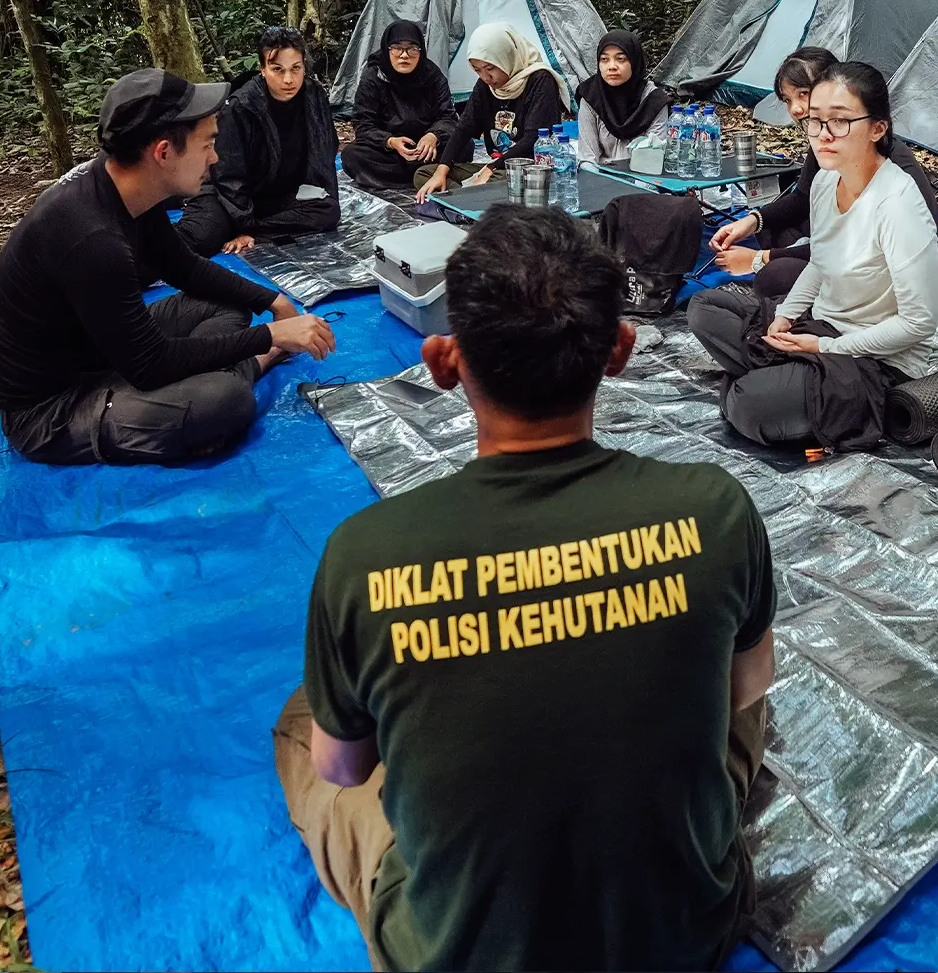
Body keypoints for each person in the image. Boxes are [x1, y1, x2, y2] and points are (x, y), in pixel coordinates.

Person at [275, 207, 775, 972]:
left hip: (459, 951)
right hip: (683, 931)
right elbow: (745, 691)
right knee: (732, 669)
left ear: (443, 361)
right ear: (621, 350)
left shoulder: (365, 559)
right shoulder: (715, 508)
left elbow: (344, 771)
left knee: (307, 719)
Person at [0, 69, 335, 466]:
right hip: (56, 408)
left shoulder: (127, 186)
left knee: (228, 305)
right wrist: (269, 338)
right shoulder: (93, 240)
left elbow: (183, 267)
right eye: (207, 145)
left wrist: (272, 300)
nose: (215, 158)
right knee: (227, 401)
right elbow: (151, 365)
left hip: (103, 348)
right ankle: (243, 373)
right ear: (164, 152)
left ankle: (199, 397)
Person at [688, 62, 938, 451]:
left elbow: (918, 324)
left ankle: (775, 383)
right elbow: (820, 262)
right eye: (816, 121)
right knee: (705, 307)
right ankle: (781, 378)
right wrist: (787, 317)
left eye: (840, 122)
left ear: (878, 128)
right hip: (818, 325)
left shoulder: (896, 205)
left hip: (876, 359)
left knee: (749, 406)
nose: (823, 135)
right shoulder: (826, 179)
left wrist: (824, 348)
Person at [709, 46, 938, 305]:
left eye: (803, 94)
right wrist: (752, 221)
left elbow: (857, 245)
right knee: (772, 229)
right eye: (788, 100)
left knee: (773, 277)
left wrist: (760, 259)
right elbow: (804, 197)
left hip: (894, 282)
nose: (797, 109)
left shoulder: (880, 164)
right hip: (850, 253)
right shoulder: (827, 140)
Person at [177, 26, 340, 256]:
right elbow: (228, 176)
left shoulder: (314, 96)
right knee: (201, 238)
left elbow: (325, 152)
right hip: (229, 197)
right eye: (277, 69)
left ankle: (257, 231)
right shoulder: (241, 106)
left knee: (328, 210)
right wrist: (243, 223)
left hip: (277, 196)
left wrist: (253, 230)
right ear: (262, 69)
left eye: (296, 69)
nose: (288, 79)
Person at [414, 24, 568, 200]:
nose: (486, 77)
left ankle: (464, 199)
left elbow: (532, 139)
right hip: (496, 167)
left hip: (530, 170)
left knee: (504, 184)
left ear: (507, 57)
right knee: (424, 174)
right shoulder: (485, 86)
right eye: (477, 70)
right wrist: (442, 170)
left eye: (490, 68)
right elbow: (463, 128)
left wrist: (491, 168)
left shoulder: (540, 81)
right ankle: (474, 199)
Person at [340, 20, 457, 193]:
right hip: (391, 151)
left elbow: (448, 117)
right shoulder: (374, 77)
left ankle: (419, 174)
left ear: (421, 51)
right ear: (387, 49)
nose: (404, 55)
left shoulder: (433, 76)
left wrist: (433, 136)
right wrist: (389, 141)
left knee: (464, 145)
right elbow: (363, 124)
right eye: (397, 47)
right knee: (351, 155)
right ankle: (424, 175)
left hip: (427, 150)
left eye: (412, 48)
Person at [575, 29, 670, 163]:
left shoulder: (653, 100)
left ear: (634, 61)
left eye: (620, 59)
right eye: (604, 59)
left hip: (643, 178)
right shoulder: (591, 96)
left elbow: (654, 158)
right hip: (601, 176)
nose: (612, 66)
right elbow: (587, 158)